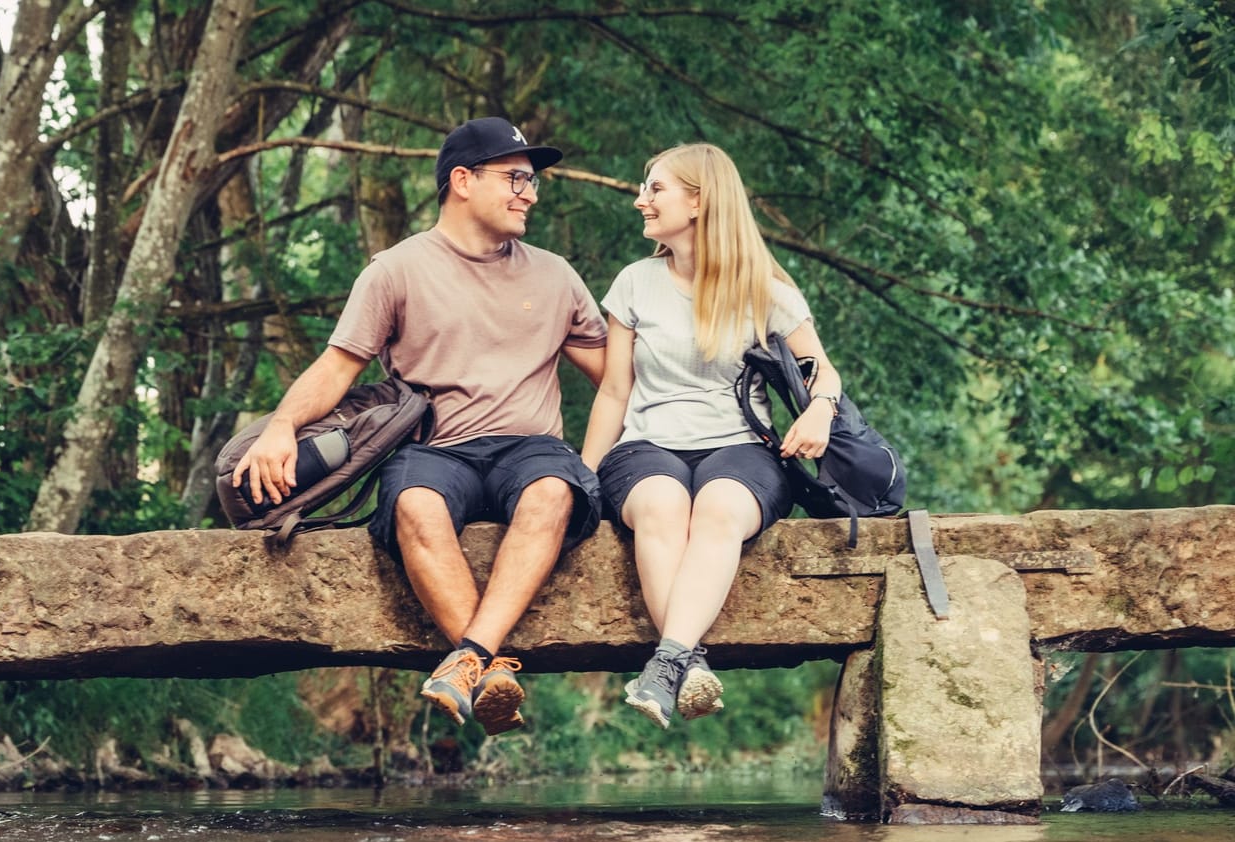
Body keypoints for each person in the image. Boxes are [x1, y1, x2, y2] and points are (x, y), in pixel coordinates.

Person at [232, 117, 607, 735]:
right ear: (462, 180)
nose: (530, 193)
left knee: (553, 492)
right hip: (437, 450)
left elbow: (617, 378)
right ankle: (487, 673)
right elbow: (337, 368)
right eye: (515, 178)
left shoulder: (556, 274)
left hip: (530, 448)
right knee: (412, 502)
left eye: (533, 181)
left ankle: (469, 661)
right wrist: (280, 427)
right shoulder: (396, 270)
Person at [581, 142, 839, 729]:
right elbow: (615, 393)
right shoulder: (634, 283)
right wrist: (585, 474)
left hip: (744, 448)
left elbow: (822, 368)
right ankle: (686, 661)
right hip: (646, 445)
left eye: (655, 188)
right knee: (663, 504)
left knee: (720, 507)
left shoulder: (763, 287)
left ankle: (666, 662)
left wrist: (820, 407)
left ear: (698, 202)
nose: (640, 199)